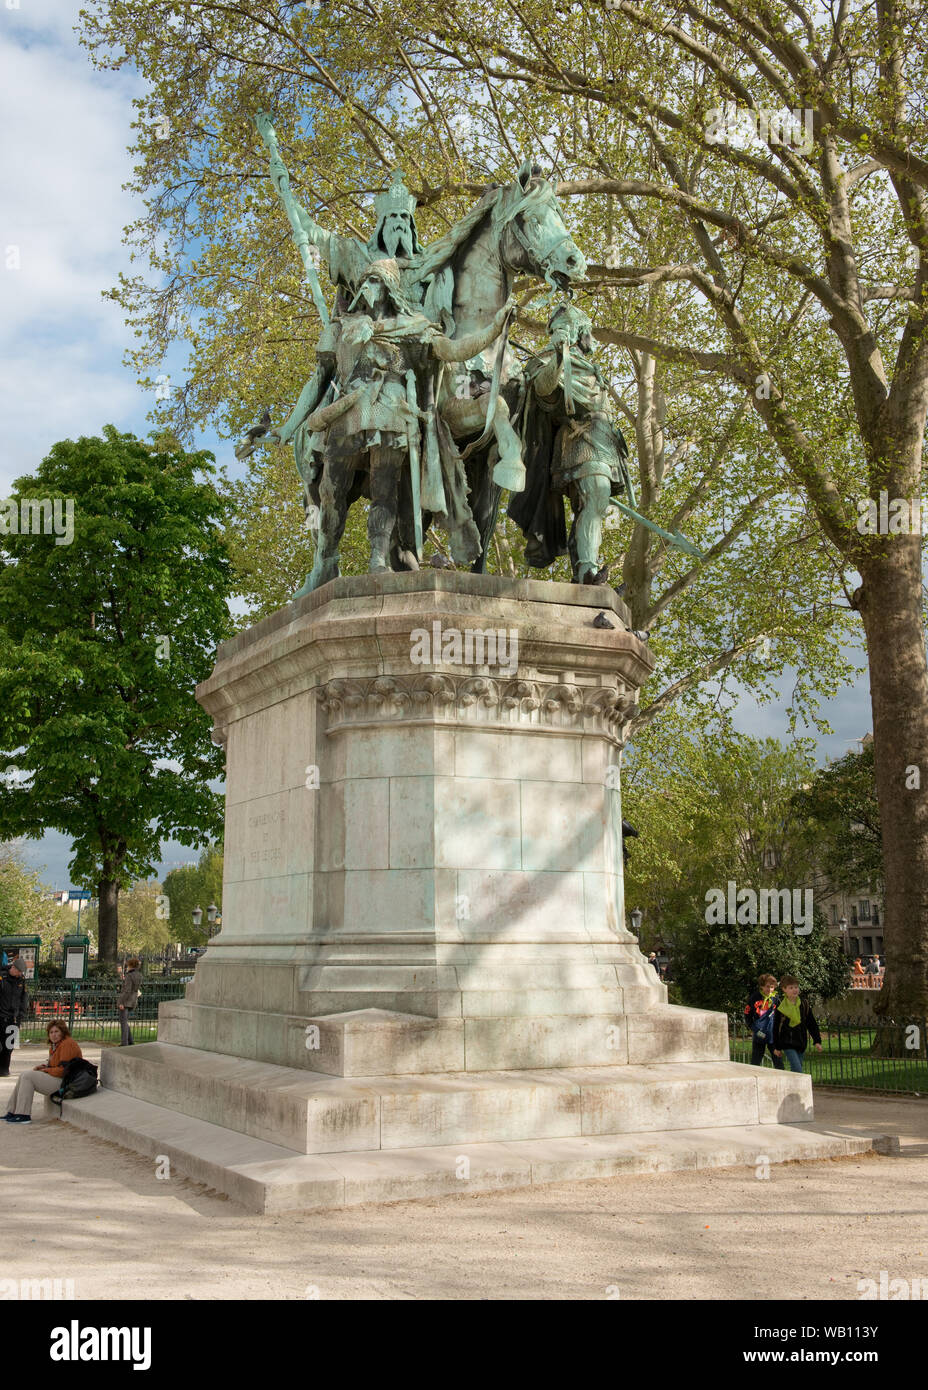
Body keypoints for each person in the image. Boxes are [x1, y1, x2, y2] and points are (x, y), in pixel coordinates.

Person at [3, 1021, 82, 1123]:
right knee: (24, 1075)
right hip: (59, 1079)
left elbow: (63, 1071)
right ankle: (12, 1112)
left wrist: (46, 1070)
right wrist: (43, 1067)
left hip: (66, 1083)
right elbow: (55, 1066)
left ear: (63, 1032)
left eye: (56, 1031)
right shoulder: (55, 1046)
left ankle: (23, 1115)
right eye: (51, 1032)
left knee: (28, 1076)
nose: (53, 1035)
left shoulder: (68, 1044)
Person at [772, 975, 823, 1074]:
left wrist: (817, 1040)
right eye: (791, 988)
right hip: (787, 1043)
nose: (794, 990)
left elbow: (811, 1023)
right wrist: (776, 1047)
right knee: (797, 1069)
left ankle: (791, 1087)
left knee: (796, 1070)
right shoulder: (780, 1007)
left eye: (796, 987)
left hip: (801, 1042)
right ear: (784, 989)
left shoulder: (804, 1004)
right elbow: (776, 1027)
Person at [744, 973, 784, 1069]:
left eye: (772, 987)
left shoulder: (775, 999)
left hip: (772, 1035)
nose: (769, 990)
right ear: (761, 986)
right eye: (767, 987)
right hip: (759, 1033)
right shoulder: (754, 998)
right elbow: (747, 1014)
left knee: (778, 1061)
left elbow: (781, 1015)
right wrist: (753, 1028)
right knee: (756, 1061)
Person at [0, 957, 28, 1078]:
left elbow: (24, 998)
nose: (20, 974)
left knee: (9, 1046)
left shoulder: (21, 981)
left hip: (14, 1018)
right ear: (14, 968)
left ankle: (4, 1069)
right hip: (1, 1016)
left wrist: (21, 1013)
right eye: (19, 971)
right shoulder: (2, 978)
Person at [117, 957, 142, 1046]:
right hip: (133, 999)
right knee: (125, 1021)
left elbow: (127, 990)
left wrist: (121, 1002)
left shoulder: (129, 975)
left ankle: (125, 1042)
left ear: (130, 965)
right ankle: (130, 1040)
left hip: (126, 1001)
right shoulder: (139, 975)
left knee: (123, 1022)